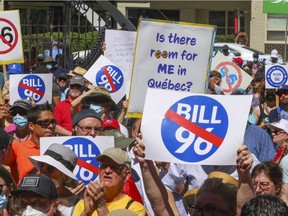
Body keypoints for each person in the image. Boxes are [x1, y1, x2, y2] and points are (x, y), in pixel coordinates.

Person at [73, 147, 146, 216]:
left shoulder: (135, 209)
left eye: (114, 167)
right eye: (104, 166)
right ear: (99, 171)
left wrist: (101, 207)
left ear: (126, 175)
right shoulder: (84, 204)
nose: (107, 171)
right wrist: (86, 213)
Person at [4, 103, 56, 183]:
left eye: (53, 122)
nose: (51, 126)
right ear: (31, 126)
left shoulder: (60, 149)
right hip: (24, 195)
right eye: (45, 122)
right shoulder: (16, 148)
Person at [29, 143, 80, 216]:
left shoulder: (77, 205)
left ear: (65, 176)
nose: (44, 170)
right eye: (41, 165)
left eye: (50, 168)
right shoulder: (30, 196)